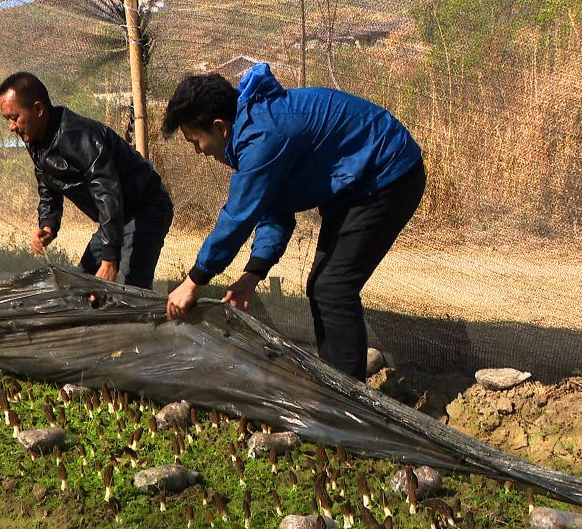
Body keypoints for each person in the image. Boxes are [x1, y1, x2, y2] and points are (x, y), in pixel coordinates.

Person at [162, 63, 425, 381]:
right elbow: (274, 209)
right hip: (355, 183)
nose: (198, 153)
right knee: (322, 286)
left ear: (220, 127)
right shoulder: (255, 128)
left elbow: (237, 218)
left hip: (386, 174)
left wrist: (193, 282)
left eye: (195, 142)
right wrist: (252, 275)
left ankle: (348, 401)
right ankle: (336, 383)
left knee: (334, 287)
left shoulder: (263, 136)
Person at [0, 72, 174, 289]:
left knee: (129, 291)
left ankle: (152, 321)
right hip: (117, 216)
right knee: (83, 285)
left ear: (39, 109)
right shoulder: (35, 139)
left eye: (14, 118)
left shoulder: (77, 136)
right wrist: (48, 224)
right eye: (7, 120)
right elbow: (47, 181)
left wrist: (110, 258)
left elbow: (107, 191)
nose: (11, 127)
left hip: (146, 208)